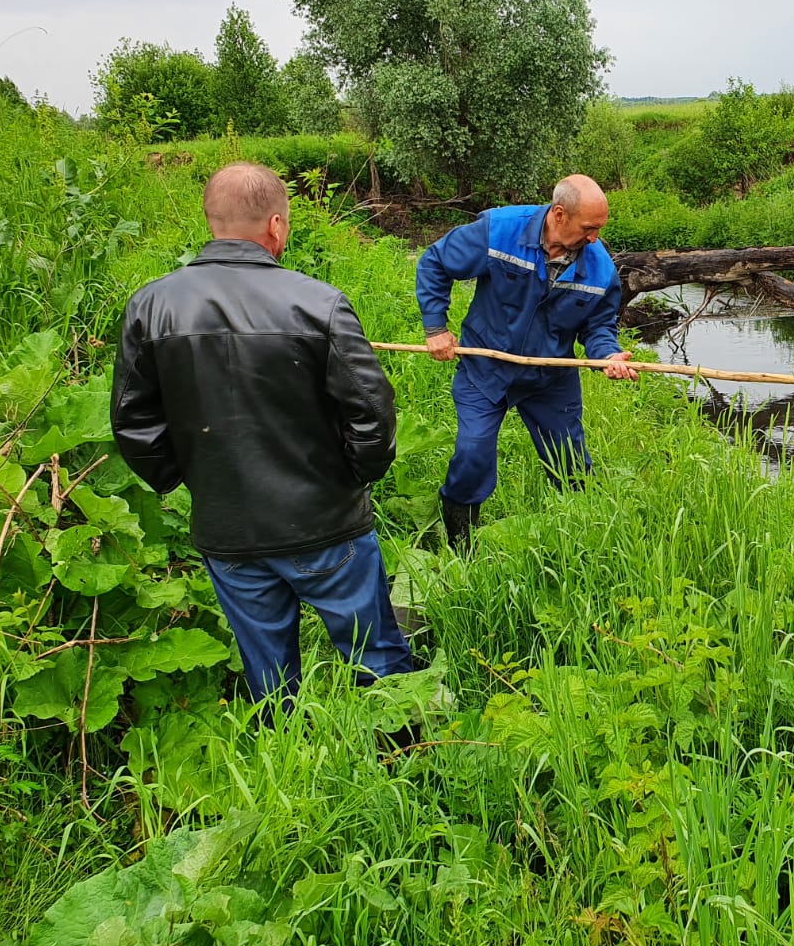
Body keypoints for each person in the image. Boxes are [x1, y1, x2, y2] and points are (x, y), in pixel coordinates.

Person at [111, 162, 415, 703]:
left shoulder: (150, 305)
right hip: (326, 522)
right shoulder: (319, 302)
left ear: (213, 222)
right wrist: (351, 480)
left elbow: (134, 423)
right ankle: (404, 751)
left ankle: (286, 762)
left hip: (227, 527)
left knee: (269, 678)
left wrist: (191, 482)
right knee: (375, 655)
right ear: (276, 226)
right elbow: (373, 412)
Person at [416, 173, 638, 550]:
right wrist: (436, 327)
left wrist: (607, 355)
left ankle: (581, 543)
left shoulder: (600, 269)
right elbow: (435, 262)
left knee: (570, 463)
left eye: (600, 229)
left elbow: (599, 325)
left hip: (550, 376)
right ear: (558, 214)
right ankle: (458, 547)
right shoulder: (499, 232)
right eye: (588, 228)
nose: (595, 238)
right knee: (472, 453)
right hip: (485, 369)